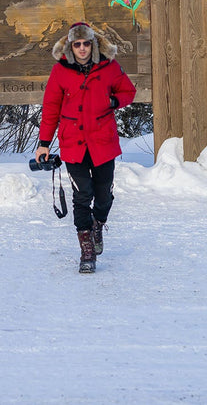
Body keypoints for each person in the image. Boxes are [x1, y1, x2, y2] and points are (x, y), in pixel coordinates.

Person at [36, 22, 136, 273]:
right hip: (73, 144)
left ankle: (98, 223)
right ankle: (87, 251)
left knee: (103, 196)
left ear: (93, 44)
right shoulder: (60, 71)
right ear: (71, 46)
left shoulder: (109, 67)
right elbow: (50, 109)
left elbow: (129, 91)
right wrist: (43, 144)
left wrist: (114, 100)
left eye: (86, 43)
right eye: (77, 44)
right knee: (82, 195)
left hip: (103, 142)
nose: (82, 48)